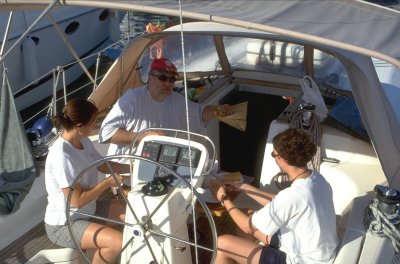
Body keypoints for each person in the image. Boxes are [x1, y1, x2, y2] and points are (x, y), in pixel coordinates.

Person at [213, 128, 339, 264]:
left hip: (302, 260)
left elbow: (247, 226)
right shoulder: (317, 179)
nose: (273, 156)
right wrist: (243, 187)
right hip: (319, 252)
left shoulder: (293, 195)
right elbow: (283, 202)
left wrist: (223, 198)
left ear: (281, 159)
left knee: (222, 244)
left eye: (273, 154)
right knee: (246, 213)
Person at [44, 98, 130, 264]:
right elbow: (76, 201)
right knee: (116, 243)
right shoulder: (62, 156)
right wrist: (107, 183)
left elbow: (104, 166)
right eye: (93, 122)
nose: (95, 125)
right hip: (65, 223)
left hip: (89, 210)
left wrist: (135, 165)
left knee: (134, 211)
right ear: (79, 125)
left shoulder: (83, 141)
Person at [99, 57, 233, 158]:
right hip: (126, 169)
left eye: (172, 79)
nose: (168, 83)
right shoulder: (132, 99)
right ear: (150, 78)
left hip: (159, 166)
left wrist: (218, 110)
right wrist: (144, 137)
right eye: (163, 78)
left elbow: (200, 112)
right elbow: (105, 133)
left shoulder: (176, 100)